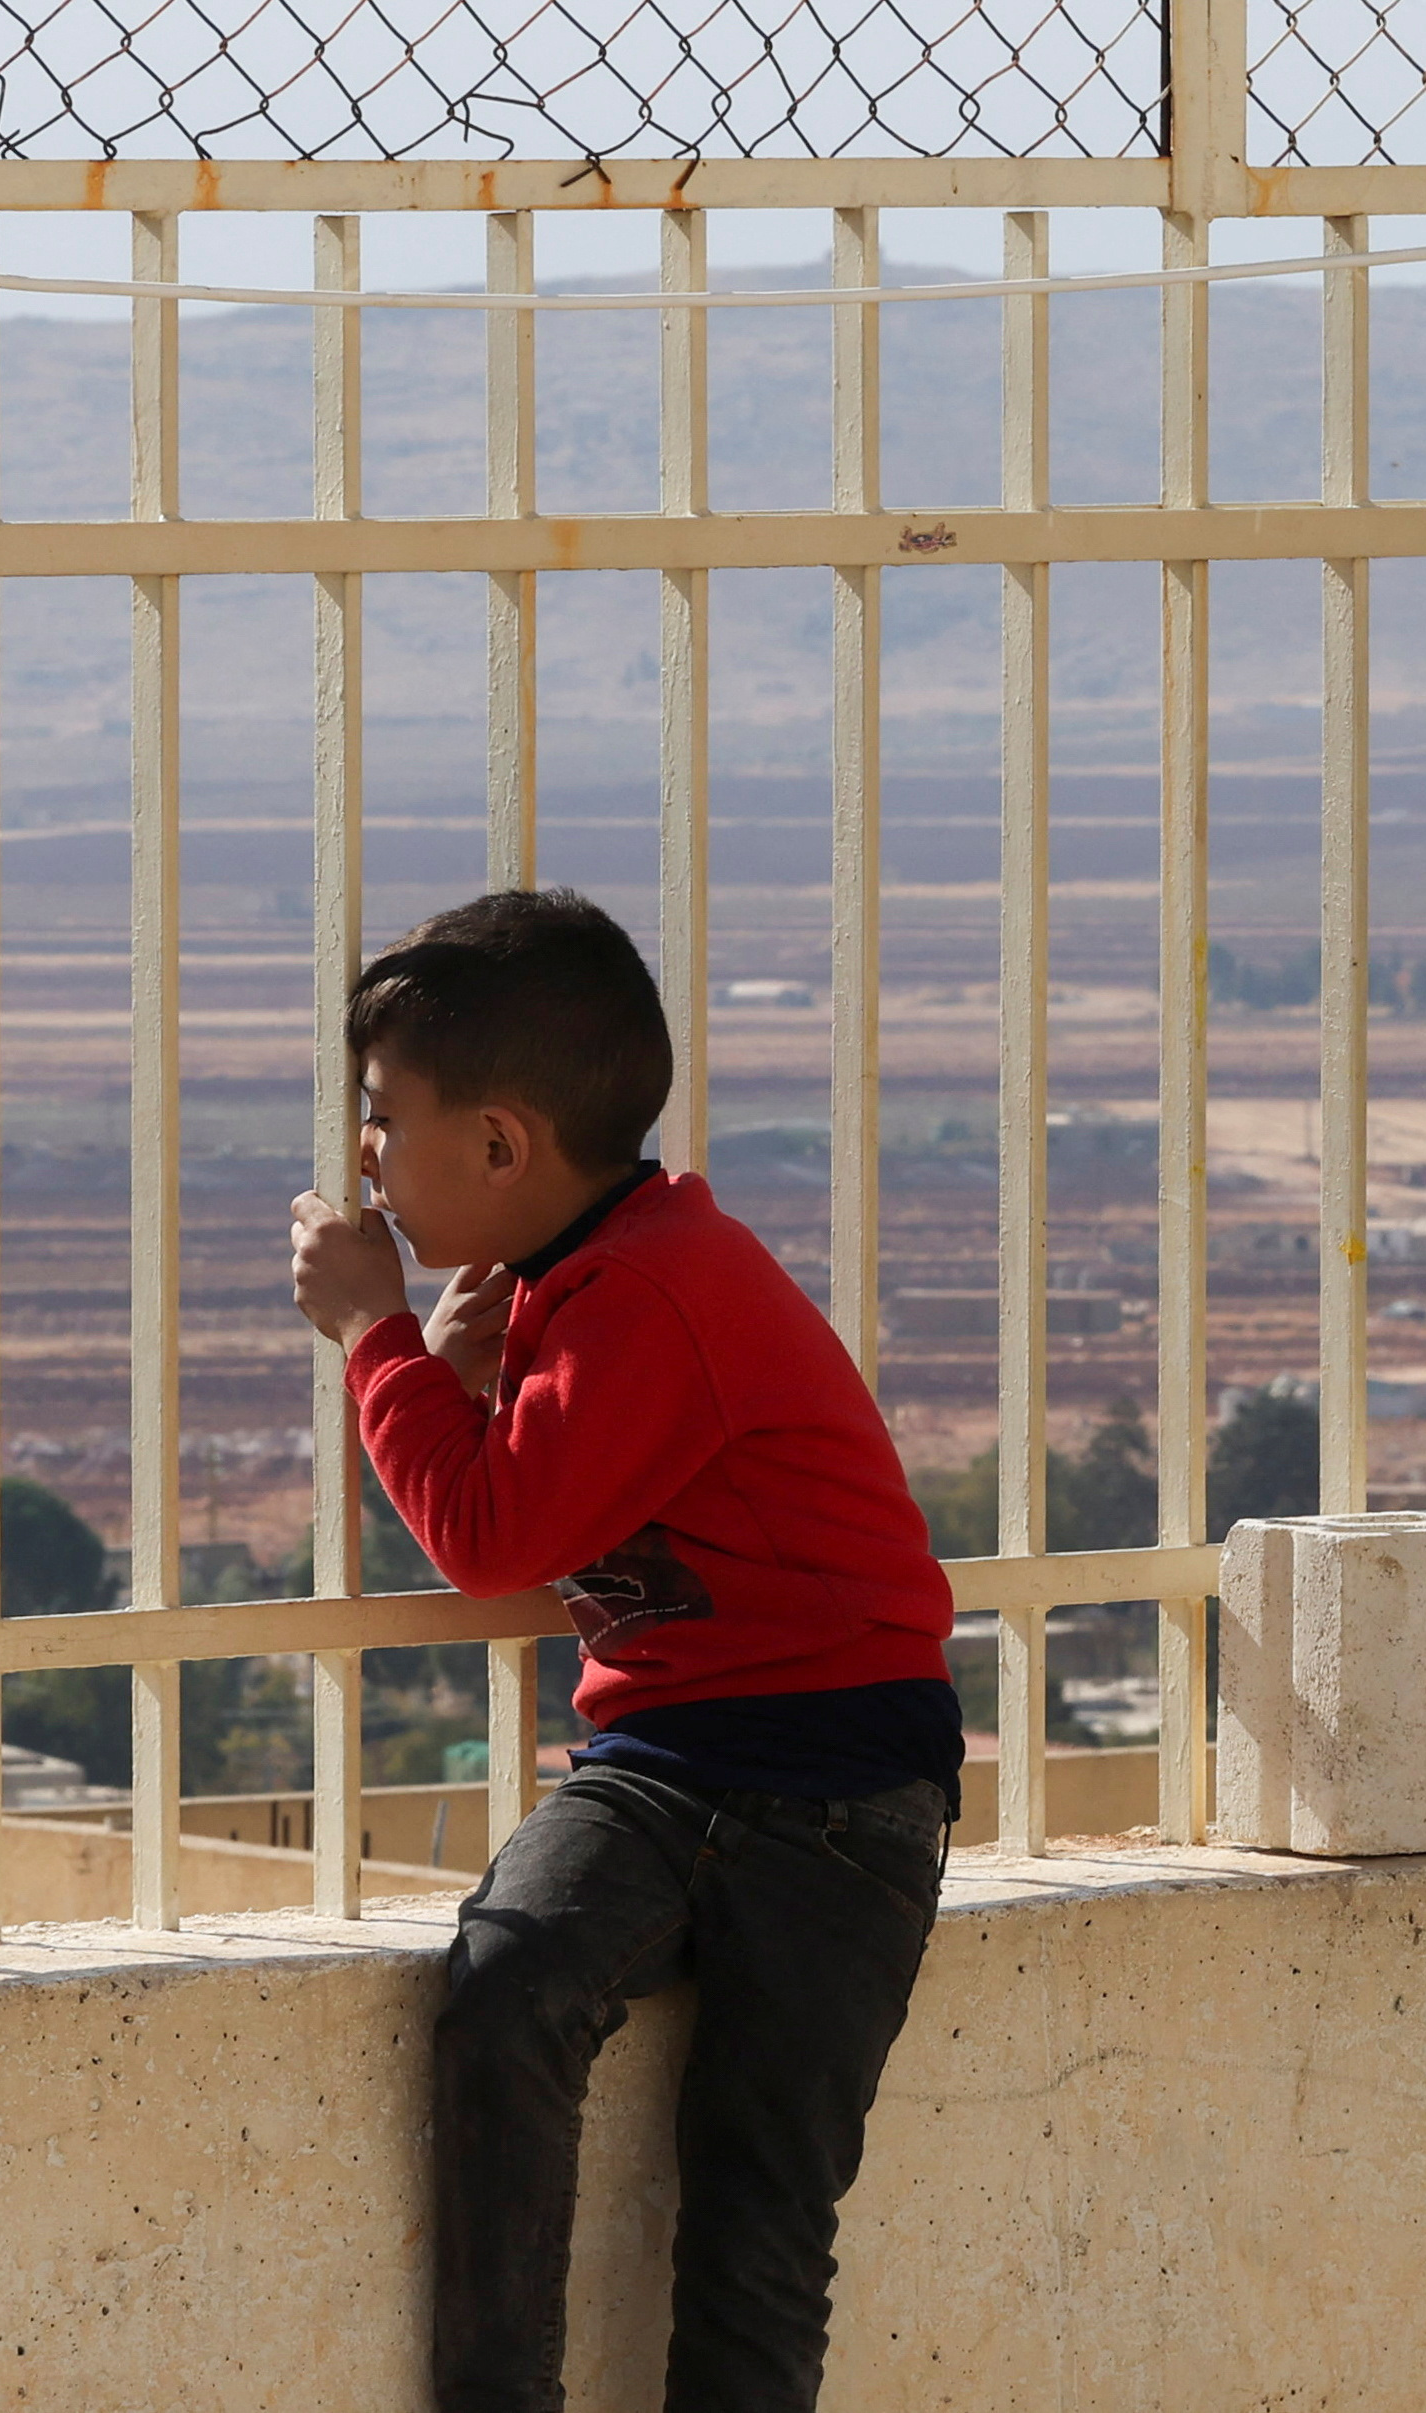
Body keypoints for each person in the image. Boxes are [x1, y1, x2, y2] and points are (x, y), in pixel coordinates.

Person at [286, 887, 964, 2413]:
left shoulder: (654, 1287)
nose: (368, 1162)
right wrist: (445, 1370)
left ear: (505, 1145)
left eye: (387, 1119)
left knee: (756, 2223)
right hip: (662, 1762)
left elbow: (487, 1536)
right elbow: (513, 1498)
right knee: (507, 1984)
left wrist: (376, 1340)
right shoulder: (574, 1280)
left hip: (842, 1791)